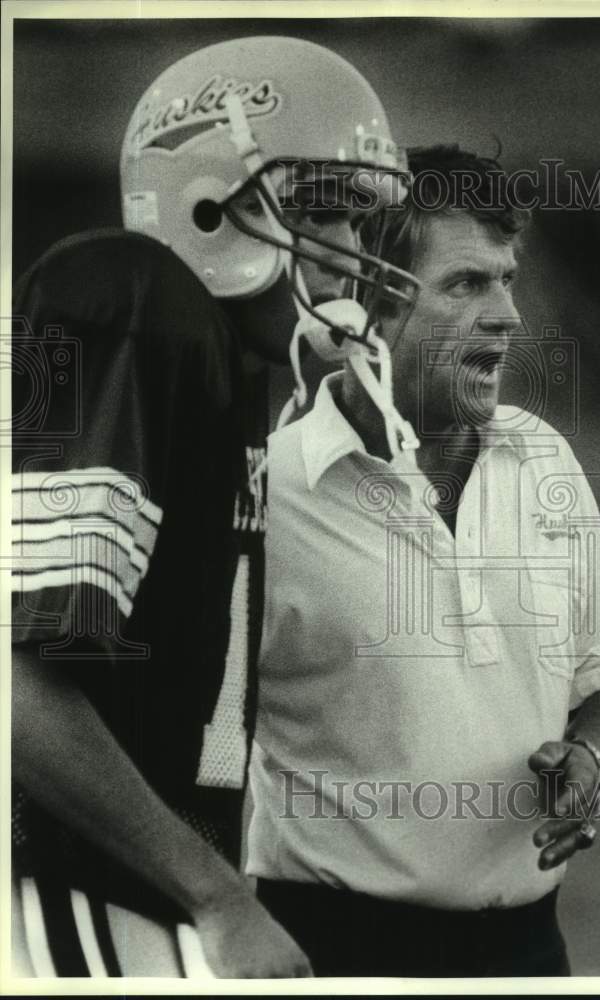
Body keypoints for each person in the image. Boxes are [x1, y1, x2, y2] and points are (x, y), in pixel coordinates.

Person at [10, 35, 418, 978]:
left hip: (139, 888)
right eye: (323, 211)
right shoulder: (129, 299)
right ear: (206, 203)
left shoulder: (223, 372)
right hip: (76, 893)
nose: (350, 255)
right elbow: (19, 684)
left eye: (361, 221)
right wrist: (217, 898)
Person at [247, 145, 600, 977]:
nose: (506, 315)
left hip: (531, 951)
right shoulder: (274, 489)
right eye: (466, 284)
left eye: (505, 278)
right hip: (332, 952)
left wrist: (589, 764)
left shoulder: (545, 460)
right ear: (359, 306)